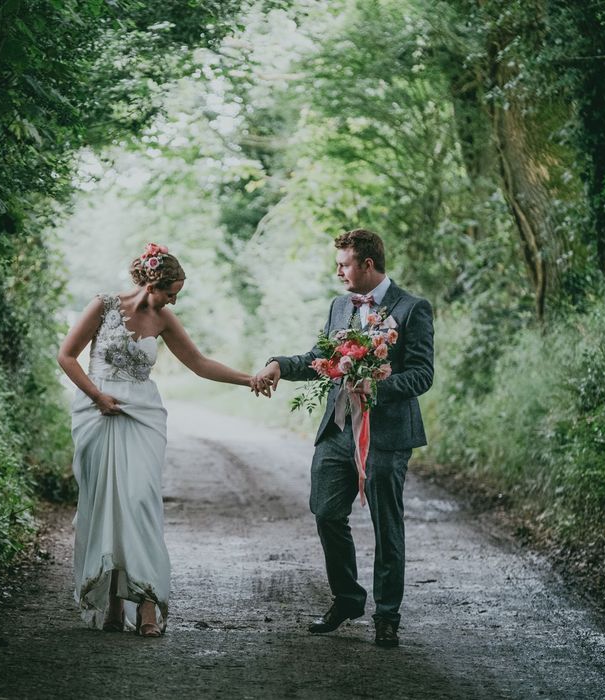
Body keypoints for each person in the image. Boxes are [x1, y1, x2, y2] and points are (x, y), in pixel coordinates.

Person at [57, 243, 257, 637]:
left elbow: (199, 364)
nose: (174, 301)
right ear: (153, 282)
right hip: (98, 413)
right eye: (171, 292)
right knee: (105, 505)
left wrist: (248, 379)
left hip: (143, 416)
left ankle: (148, 605)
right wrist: (97, 397)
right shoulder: (103, 305)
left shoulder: (164, 320)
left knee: (139, 502)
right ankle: (113, 606)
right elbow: (67, 356)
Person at [253, 229, 434, 647]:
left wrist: (378, 386)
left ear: (367, 264)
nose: (338, 272)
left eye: (344, 264)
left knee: (386, 525)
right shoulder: (339, 306)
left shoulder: (412, 309)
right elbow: (322, 359)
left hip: (387, 436)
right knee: (326, 511)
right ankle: (349, 597)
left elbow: (423, 374)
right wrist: (279, 365)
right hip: (337, 430)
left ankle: (387, 615)